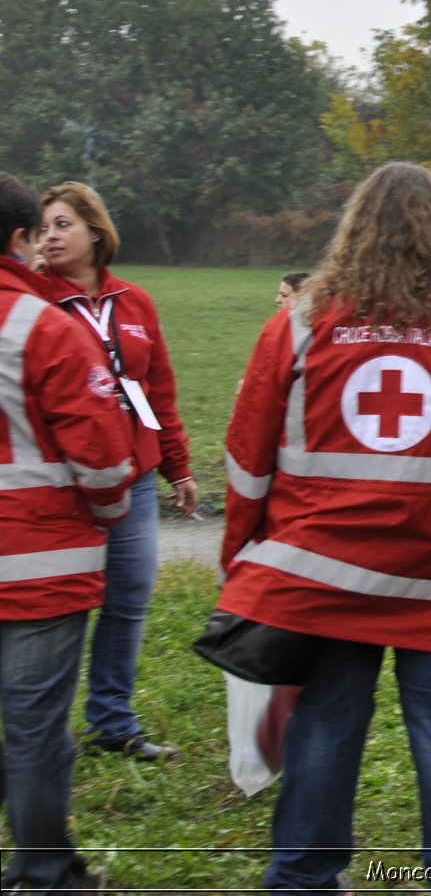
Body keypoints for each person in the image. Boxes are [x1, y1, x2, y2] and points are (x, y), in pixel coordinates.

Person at [217, 162, 431, 893]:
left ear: (354, 232)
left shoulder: (302, 325)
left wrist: (239, 561)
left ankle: (305, 878)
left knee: (328, 717)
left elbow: (248, 456)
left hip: (325, 575)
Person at [0, 171, 135, 895]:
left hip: (35, 561)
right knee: (35, 726)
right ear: (21, 238)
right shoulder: (44, 327)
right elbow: (103, 455)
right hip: (36, 564)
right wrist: (110, 511)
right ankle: (44, 872)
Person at [35, 181, 195, 761]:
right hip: (65, 482)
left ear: (94, 232)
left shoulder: (134, 302)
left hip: (133, 476)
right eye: (44, 227)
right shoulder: (35, 303)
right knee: (62, 606)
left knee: (127, 598)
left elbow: (157, 390)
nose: (50, 237)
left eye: (62, 225)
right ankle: (44, 733)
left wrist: (177, 465)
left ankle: (113, 723)